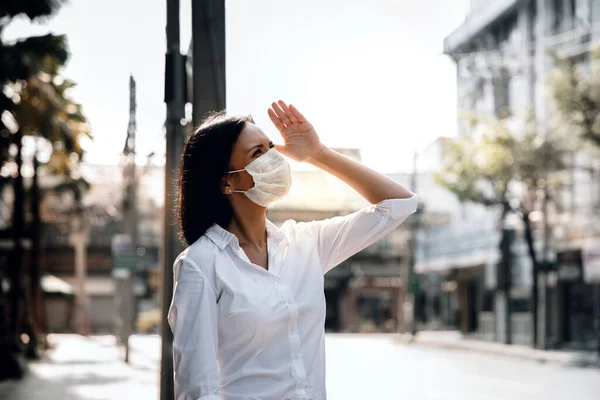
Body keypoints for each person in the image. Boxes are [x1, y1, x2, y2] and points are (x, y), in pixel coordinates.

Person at [168, 100, 417, 400]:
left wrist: (318, 154)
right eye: (257, 153)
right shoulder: (201, 264)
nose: (273, 158)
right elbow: (197, 390)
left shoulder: (305, 243)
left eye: (271, 147)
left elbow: (397, 205)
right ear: (227, 181)